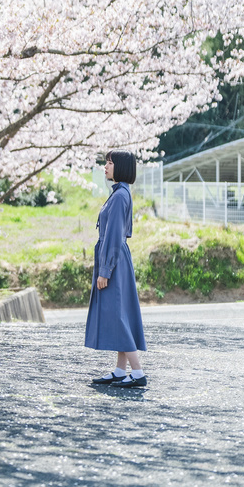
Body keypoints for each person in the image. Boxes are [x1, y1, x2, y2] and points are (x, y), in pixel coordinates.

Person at [84, 149, 147, 387]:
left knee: (119, 316)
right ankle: (121, 370)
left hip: (115, 261)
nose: (105, 166)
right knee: (121, 313)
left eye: (109, 163)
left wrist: (104, 271)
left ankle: (138, 372)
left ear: (120, 167)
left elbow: (113, 235)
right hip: (116, 258)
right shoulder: (119, 193)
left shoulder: (120, 196)